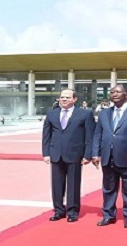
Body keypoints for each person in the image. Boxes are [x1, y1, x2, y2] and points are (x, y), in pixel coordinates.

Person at [91, 84, 127, 228]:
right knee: (108, 189)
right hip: (107, 157)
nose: (114, 94)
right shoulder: (104, 113)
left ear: (126, 95)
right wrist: (95, 153)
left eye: (118, 92)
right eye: (112, 92)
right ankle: (108, 215)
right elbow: (98, 134)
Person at [42, 89, 95, 222]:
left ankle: (72, 211)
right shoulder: (52, 114)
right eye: (62, 97)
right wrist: (46, 153)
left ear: (74, 99)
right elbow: (46, 136)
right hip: (56, 154)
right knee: (56, 185)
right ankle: (59, 210)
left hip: (75, 154)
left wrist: (88, 155)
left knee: (73, 184)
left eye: (67, 97)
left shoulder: (85, 114)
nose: (64, 99)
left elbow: (90, 137)